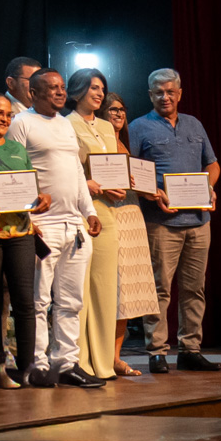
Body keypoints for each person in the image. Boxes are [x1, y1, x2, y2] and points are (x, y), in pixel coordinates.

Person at [7, 68, 104, 389]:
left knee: (71, 300)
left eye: (62, 87)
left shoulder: (64, 124)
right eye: (51, 88)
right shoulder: (22, 123)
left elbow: (76, 170)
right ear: (33, 94)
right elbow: (12, 169)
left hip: (73, 225)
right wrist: (28, 216)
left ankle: (67, 363)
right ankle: (38, 364)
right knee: (38, 301)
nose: (60, 93)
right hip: (42, 225)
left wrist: (88, 211)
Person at [128, 68, 221, 373]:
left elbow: (212, 164)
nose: (165, 97)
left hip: (198, 220)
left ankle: (190, 349)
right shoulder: (139, 127)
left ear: (180, 93)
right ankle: (157, 351)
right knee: (160, 288)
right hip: (161, 222)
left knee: (195, 288)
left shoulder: (194, 124)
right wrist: (153, 192)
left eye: (170, 91)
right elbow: (130, 173)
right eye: (159, 92)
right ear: (150, 95)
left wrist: (209, 186)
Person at [0, 93, 52, 390]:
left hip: (21, 234)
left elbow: (31, 188)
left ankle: (28, 368)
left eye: (8, 114)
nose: (5, 119)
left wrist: (41, 200)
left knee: (24, 301)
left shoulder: (17, 148)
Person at [66, 68, 127, 381]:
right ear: (77, 90)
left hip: (107, 211)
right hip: (81, 210)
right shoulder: (66, 125)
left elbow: (116, 167)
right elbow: (69, 169)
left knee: (105, 289)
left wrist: (122, 183)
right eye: (93, 87)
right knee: (81, 289)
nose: (100, 93)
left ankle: (103, 362)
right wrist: (90, 184)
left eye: (102, 88)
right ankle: (81, 361)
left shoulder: (106, 125)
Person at [104, 92, 159, 377]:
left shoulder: (125, 144)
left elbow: (138, 183)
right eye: (111, 109)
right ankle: (101, 357)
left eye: (122, 109)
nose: (118, 114)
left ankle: (115, 357)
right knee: (110, 291)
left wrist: (153, 190)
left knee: (126, 296)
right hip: (111, 217)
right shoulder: (97, 142)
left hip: (132, 215)